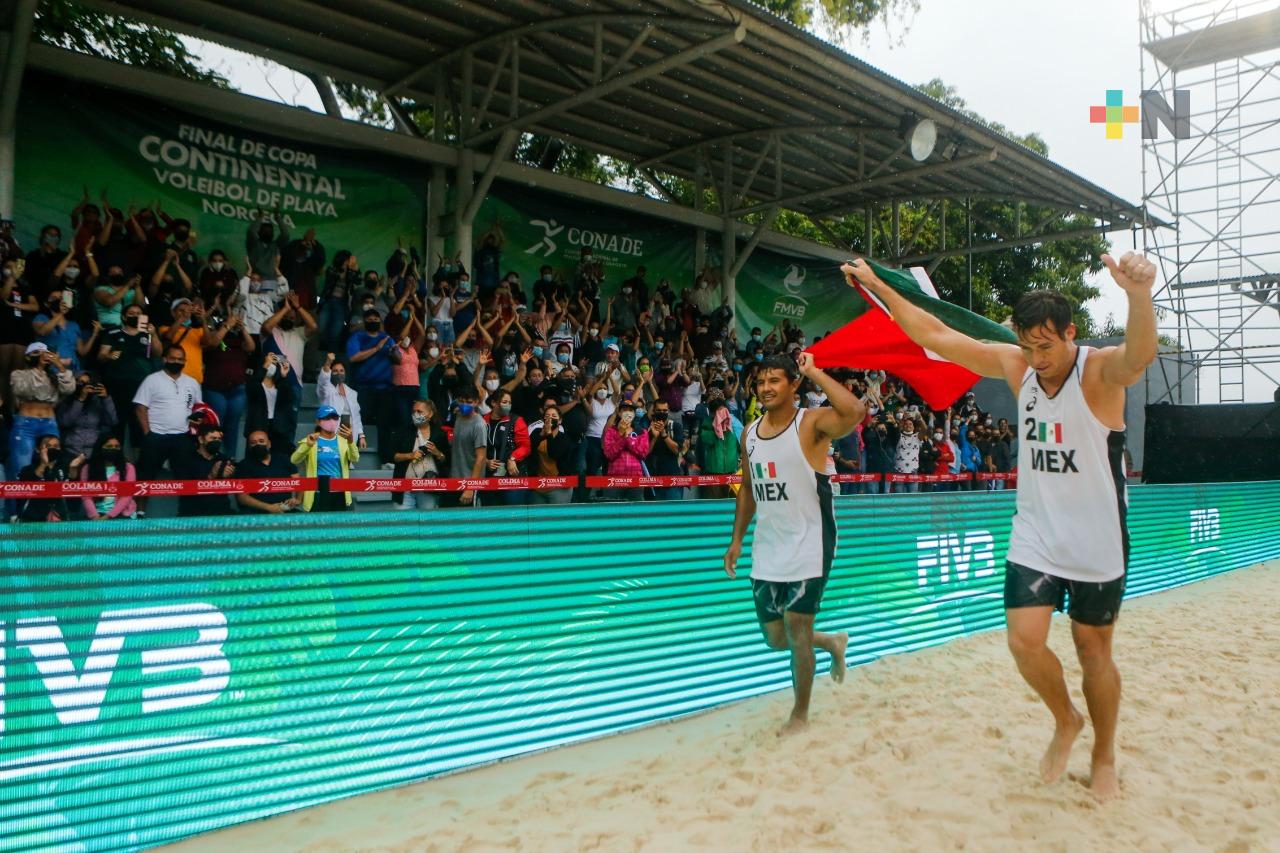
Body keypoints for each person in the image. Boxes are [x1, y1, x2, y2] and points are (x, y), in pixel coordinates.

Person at [843, 252, 1158, 799]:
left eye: (1047, 346)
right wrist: (878, 287)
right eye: (1029, 346)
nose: (1038, 359)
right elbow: (937, 336)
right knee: (1024, 642)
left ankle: (1104, 753)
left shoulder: (1100, 371)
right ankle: (1066, 719)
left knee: (1093, 652)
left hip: (1097, 538)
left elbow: (1139, 356)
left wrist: (1137, 294)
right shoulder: (1019, 366)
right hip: (1035, 535)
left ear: (1070, 334)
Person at [723, 353, 863, 734]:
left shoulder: (812, 423)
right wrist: (736, 539)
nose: (765, 388)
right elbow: (749, 488)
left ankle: (799, 715)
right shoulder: (749, 432)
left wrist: (815, 370)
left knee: (798, 629)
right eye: (760, 381)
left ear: (793, 384)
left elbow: (854, 411)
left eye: (775, 381)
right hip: (768, 544)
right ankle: (832, 643)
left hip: (810, 541)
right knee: (775, 637)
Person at [291, 405, 360, 512]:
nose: (331, 421)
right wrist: (307, 445)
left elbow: (355, 458)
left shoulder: (343, 441)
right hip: (317, 493)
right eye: (327, 418)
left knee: (337, 527)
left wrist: (350, 441)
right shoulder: (311, 440)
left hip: (339, 492)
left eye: (334, 417)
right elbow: (294, 460)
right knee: (319, 526)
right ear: (318, 422)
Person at [392, 399, 449, 510]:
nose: (415, 414)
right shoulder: (404, 431)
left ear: (430, 414)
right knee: (403, 523)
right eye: (414, 412)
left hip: (429, 487)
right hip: (405, 487)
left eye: (419, 411)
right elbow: (391, 455)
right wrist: (410, 455)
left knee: (427, 523)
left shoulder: (439, 434)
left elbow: (446, 460)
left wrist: (438, 453)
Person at [15, 433, 85, 522]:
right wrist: (43, 464)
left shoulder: (63, 469)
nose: (52, 449)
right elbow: (29, 486)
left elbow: (73, 494)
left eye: (56, 446)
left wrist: (73, 468)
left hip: (59, 521)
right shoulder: (27, 470)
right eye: (48, 446)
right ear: (37, 449)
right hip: (32, 522)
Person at [172, 422, 236, 517]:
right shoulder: (186, 459)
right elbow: (184, 489)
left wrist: (229, 478)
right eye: (213, 438)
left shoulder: (223, 459)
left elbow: (235, 486)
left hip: (221, 512)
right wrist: (210, 476)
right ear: (201, 439)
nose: (217, 441)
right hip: (193, 513)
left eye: (219, 439)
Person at [235, 429, 301, 514]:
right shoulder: (244, 465)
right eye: (253, 442)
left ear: (269, 444)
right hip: (256, 513)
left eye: (261, 441)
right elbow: (242, 497)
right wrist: (269, 508)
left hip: (285, 509)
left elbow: (299, 482)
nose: (258, 444)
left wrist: (297, 500)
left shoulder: (283, 459)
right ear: (249, 446)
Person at [79, 433, 137, 520]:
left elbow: (127, 496)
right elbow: (86, 496)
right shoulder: (88, 468)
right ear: (100, 448)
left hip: (122, 513)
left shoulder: (128, 468)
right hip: (97, 514)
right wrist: (95, 516)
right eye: (109, 446)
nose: (113, 449)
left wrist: (108, 516)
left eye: (117, 446)